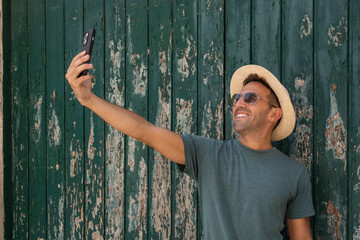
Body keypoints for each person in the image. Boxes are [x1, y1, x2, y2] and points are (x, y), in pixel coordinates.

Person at [66, 51, 315, 240]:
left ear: (274, 114)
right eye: (237, 98)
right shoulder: (207, 155)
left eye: (250, 98)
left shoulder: (294, 174)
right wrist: (88, 99)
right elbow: (145, 132)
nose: (239, 103)